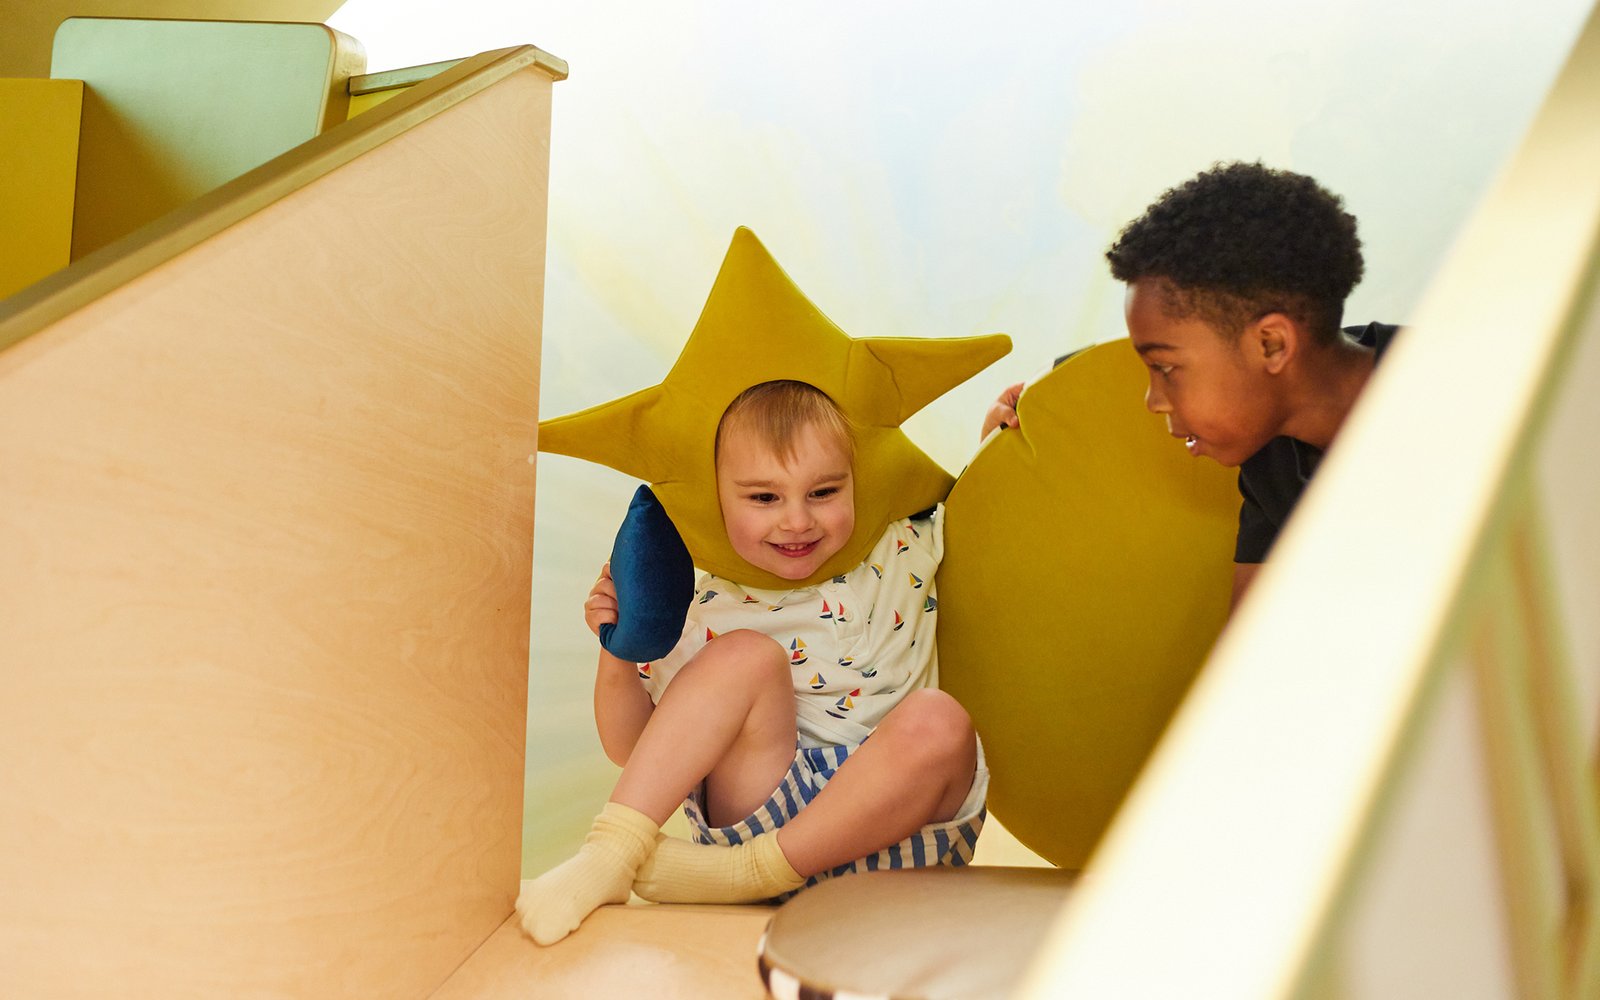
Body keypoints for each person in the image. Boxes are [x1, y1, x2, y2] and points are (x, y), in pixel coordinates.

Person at [516, 379, 988, 946]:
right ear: (718, 500)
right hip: (765, 805)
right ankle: (611, 854)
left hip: (897, 831)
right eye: (764, 498)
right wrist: (616, 654)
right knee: (743, 655)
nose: (797, 521)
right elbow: (630, 747)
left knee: (941, 720)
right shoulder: (705, 606)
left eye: (824, 492)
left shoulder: (904, 541)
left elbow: (990, 510)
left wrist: (997, 439)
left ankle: (745, 875)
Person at [984, 162, 1397, 608]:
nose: (1152, 401)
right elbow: (1249, 654)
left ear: (1272, 345)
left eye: (1164, 368)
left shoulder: (1460, 403)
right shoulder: (1271, 455)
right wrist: (999, 457)